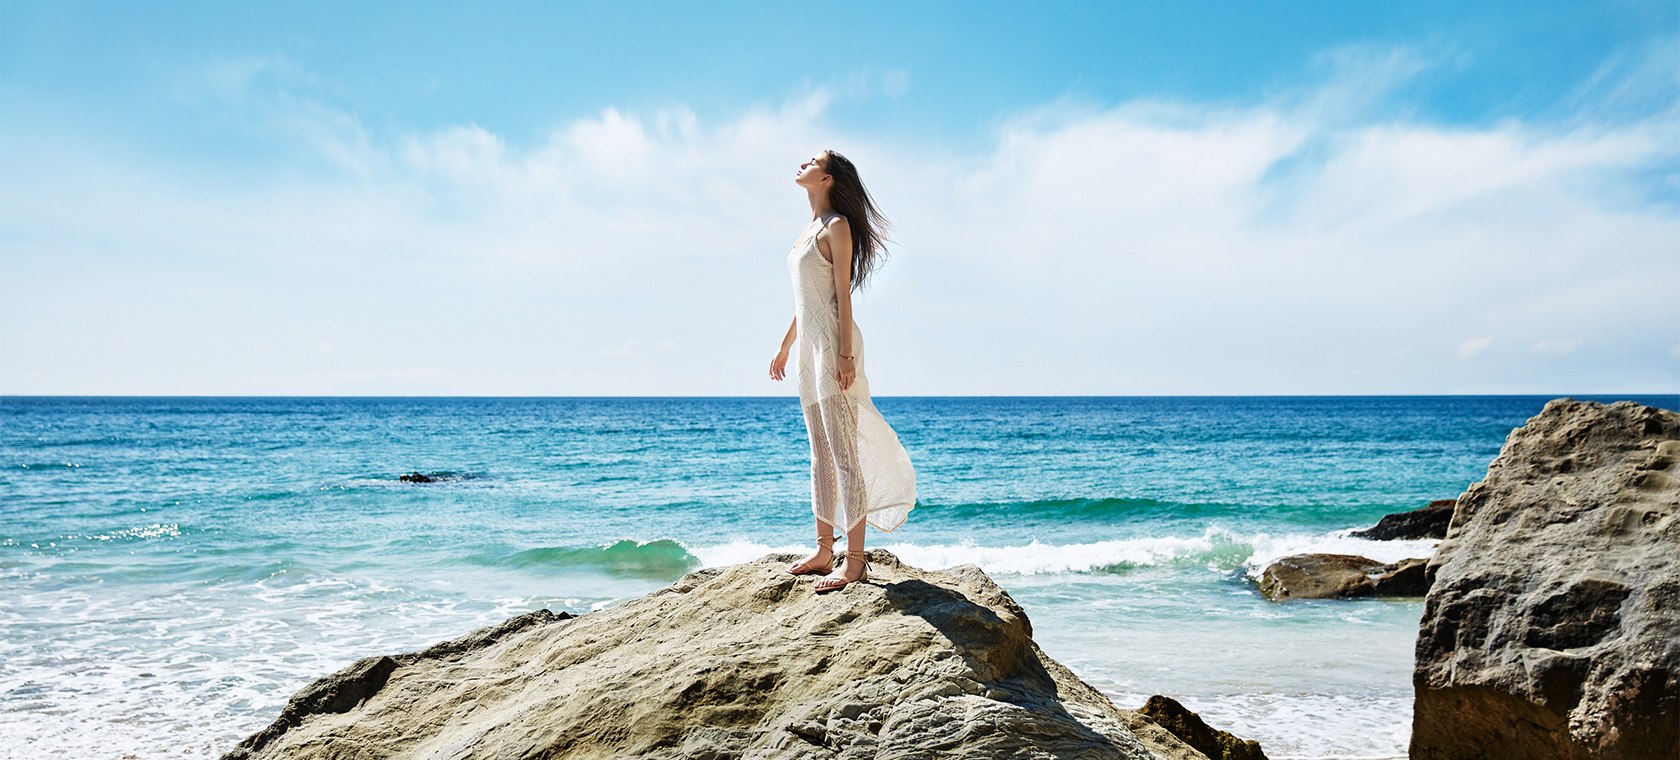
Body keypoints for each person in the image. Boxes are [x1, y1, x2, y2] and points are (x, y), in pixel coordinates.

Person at [769, 150, 917, 592]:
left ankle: (855, 561)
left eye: (811, 160)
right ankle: (822, 549)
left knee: (844, 453)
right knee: (820, 453)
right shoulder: (807, 231)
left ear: (827, 177)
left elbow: (841, 297)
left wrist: (846, 355)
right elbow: (805, 301)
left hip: (835, 344)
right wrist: (784, 346)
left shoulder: (837, 226)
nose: (801, 162)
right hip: (808, 351)